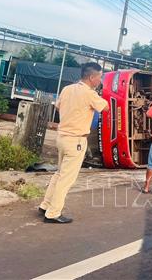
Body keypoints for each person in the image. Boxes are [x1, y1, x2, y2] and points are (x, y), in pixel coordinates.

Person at [39, 62, 107, 223]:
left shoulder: (67, 89)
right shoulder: (90, 94)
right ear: (92, 77)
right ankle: (53, 213)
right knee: (66, 179)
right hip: (76, 140)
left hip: (62, 137)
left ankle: (45, 205)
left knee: (59, 173)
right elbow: (105, 108)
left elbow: (58, 107)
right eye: (100, 77)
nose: (100, 80)